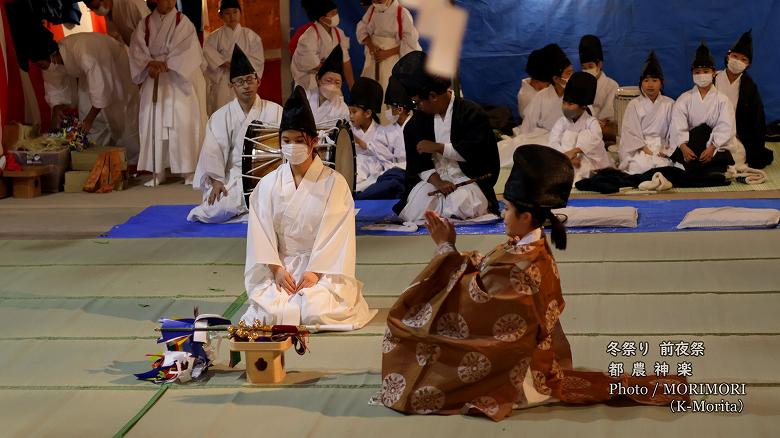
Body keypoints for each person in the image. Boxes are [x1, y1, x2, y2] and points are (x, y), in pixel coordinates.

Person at [380, 145, 689, 420]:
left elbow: (477, 307)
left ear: (526, 218)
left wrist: (446, 250)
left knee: (408, 330)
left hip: (516, 372)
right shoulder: (530, 246)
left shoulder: (521, 261)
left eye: (508, 209)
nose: (503, 215)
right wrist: (460, 257)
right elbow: (485, 280)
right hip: (524, 351)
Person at [240, 86, 375, 328]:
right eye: (286, 140)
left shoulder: (334, 184)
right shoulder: (268, 184)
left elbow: (336, 235)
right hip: (280, 268)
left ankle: (315, 290)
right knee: (267, 314)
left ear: (313, 141)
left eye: (299, 140)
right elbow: (260, 234)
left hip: (322, 269)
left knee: (315, 311)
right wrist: (277, 269)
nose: (292, 146)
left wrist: (315, 272)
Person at [392, 51, 499, 222]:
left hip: (467, 180)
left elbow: (477, 153)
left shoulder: (472, 113)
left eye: (418, 102)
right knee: (419, 208)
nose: (417, 108)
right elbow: (417, 165)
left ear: (433, 96)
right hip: (434, 181)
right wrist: (438, 183)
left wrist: (438, 147)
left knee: (462, 203)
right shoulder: (415, 124)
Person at [188, 46, 283, 224]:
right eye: (240, 82)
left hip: (270, 176)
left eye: (249, 80)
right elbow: (212, 150)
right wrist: (216, 180)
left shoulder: (276, 111)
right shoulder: (221, 116)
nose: (246, 86)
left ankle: (251, 209)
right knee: (214, 210)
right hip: (235, 176)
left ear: (258, 81)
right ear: (231, 86)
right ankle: (251, 209)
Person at [128, 0, 208, 186]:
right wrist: (149, 63)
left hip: (178, 79)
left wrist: (166, 64)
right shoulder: (145, 23)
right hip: (154, 78)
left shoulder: (183, 21)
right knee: (153, 122)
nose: (170, 2)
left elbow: (187, 49)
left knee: (183, 123)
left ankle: (188, 170)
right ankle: (158, 171)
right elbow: (137, 49)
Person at [31, 33, 140, 164]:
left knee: (123, 120)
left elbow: (101, 89)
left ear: (52, 55)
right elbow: (54, 85)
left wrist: (89, 120)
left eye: (42, 65)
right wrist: (56, 109)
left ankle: (134, 164)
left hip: (116, 68)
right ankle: (99, 164)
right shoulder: (54, 59)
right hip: (89, 75)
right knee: (88, 116)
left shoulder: (84, 52)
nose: (44, 68)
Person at [670, 42, 745, 175]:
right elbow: (677, 125)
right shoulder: (684, 99)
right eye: (697, 72)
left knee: (730, 157)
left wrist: (712, 147)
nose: (702, 75)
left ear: (714, 73)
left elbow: (726, 126)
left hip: (716, 145)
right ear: (692, 74)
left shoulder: (722, 100)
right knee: (683, 162)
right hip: (691, 144)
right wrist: (683, 147)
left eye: (706, 71)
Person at [715, 30, 773, 168]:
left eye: (743, 59)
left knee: (737, 158)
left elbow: (757, 119)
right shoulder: (714, 78)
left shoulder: (749, 86)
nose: (737, 62)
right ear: (728, 56)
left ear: (749, 65)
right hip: (712, 131)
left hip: (737, 134)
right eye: (735, 56)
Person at [548, 72, 613, 182]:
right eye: (564, 103)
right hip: (564, 158)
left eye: (571, 104)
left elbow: (595, 139)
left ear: (583, 107)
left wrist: (575, 151)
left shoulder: (591, 122)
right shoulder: (561, 122)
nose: (566, 107)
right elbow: (553, 141)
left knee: (586, 135)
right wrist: (567, 157)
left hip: (586, 160)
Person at [618, 50, 676, 174]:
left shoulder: (669, 103)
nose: (650, 85)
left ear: (662, 82)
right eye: (646, 80)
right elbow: (630, 133)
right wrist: (647, 151)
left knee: (670, 168)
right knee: (639, 167)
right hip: (640, 149)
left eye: (654, 80)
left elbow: (675, 131)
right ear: (641, 83)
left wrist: (666, 151)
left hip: (663, 148)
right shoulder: (634, 105)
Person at [203, 0, 264, 115]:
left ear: (240, 13)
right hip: (223, 79)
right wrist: (223, 63)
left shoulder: (251, 36)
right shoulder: (213, 37)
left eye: (235, 12)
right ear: (221, 15)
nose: (232, 16)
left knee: (247, 114)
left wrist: (240, 65)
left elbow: (257, 60)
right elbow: (207, 52)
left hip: (244, 80)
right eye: (227, 13)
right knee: (223, 115)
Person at [356, 0, 420, 95]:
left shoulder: (402, 13)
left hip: (392, 60)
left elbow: (410, 43)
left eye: (380, 1)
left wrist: (387, 53)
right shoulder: (372, 10)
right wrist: (371, 46)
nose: (377, 3)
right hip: (373, 58)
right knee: (369, 90)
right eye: (374, 0)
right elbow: (362, 30)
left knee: (388, 89)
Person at [292, 0, 355, 90]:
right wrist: (335, 72)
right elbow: (315, 65)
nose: (336, 16)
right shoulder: (308, 37)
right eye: (333, 13)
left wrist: (352, 86)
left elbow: (345, 61)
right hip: (309, 84)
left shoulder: (339, 33)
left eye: (336, 12)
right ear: (322, 18)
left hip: (331, 80)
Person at [348, 77, 396, 194]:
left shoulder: (382, 132)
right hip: (351, 169)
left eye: (354, 112)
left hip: (372, 174)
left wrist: (358, 141)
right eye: (349, 112)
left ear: (368, 113)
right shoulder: (347, 130)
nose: (350, 116)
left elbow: (387, 160)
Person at [518, 44, 572, 135]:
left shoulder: (567, 91)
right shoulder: (529, 96)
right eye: (568, 73)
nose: (548, 86)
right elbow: (529, 127)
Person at [578, 35, 618, 141]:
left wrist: (594, 123)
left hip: (603, 133)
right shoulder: (578, 84)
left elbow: (608, 119)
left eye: (590, 66)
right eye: (583, 67)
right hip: (580, 131)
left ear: (599, 64)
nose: (586, 70)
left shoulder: (611, 86)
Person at [306, 46, 350, 127]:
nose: (332, 85)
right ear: (318, 79)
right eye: (328, 81)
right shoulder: (305, 98)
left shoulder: (343, 109)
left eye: (337, 82)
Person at [83, 0, 150, 46]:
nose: (95, 11)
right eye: (92, 9)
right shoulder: (108, 10)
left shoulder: (131, 4)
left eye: (96, 7)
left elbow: (152, 34)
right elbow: (116, 39)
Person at [517, 47, 551, 121]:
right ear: (537, 81)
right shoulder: (526, 96)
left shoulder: (542, 86)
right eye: (548, 84)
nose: (550, 86)